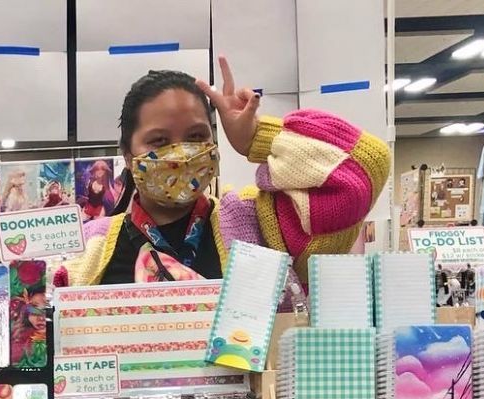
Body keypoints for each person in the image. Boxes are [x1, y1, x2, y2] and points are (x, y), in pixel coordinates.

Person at [57, 57, 389, 288]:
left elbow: (364, 169)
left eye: (196, 136)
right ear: (128, 156)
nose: (180, 154)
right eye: (159, 141)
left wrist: (256, 137)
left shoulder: (257, 223)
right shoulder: (89, 246)